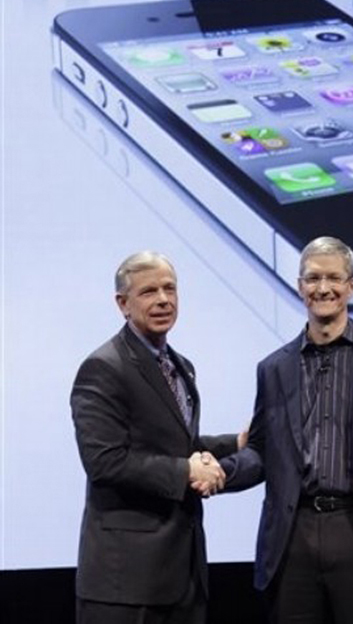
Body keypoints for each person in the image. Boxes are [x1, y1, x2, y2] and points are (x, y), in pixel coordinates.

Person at [220, 236, 353, 624]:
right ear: (299, 286)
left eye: (334, 278)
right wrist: (220, 472)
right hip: (293, 538)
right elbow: (261, 451)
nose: (323, 288)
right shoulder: (273, 368)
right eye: (313, 278)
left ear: (351, 286)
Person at [70, 251, 239, 624]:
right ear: (123, 304)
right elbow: (104, 461)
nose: (163, 300)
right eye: (149, 291)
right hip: (125, 586)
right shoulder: (103, 367)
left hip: (184, 576)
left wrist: (237, 443)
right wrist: (187, 472)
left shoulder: (181, 366)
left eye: (169, 289)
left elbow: (178, 446)